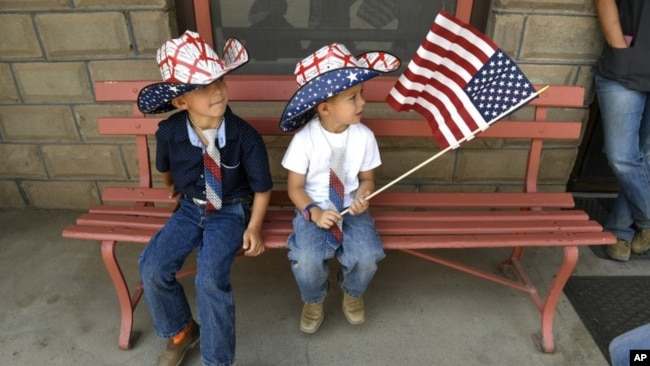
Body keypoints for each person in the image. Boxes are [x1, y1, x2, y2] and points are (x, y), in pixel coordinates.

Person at [136, 31, 273, 366]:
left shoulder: (244, 136)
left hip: (230, 209)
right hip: (189, 207)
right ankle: (182, 331)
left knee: (210, 279)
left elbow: (262, 187)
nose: (216, 90)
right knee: (151, 266)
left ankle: (218, 361)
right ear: (181, 101)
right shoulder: (170, 131)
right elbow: (165, 168)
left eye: (219, 81)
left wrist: (254, 226)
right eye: (201, 86)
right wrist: (174, 188)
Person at [279, 43, 400, 333]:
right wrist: (314, 212)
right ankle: (313, 298)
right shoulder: (305, 140)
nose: (362, 103)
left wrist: (363, 195)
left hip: (351, 208)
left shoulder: (364, 137)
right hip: (315, 207)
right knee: (306, 259)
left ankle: (353, 292)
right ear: (324, 107)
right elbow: (295, 188)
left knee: (367, 255)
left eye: (362, 95)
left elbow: (367, 179)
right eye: (352, 97)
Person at [594, 0, 650, 261]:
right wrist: (619, 47)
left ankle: (619, 230)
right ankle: (647, 221)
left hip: (629, 60)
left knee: (646, 156)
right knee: (622, 156)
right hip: (626, 64)